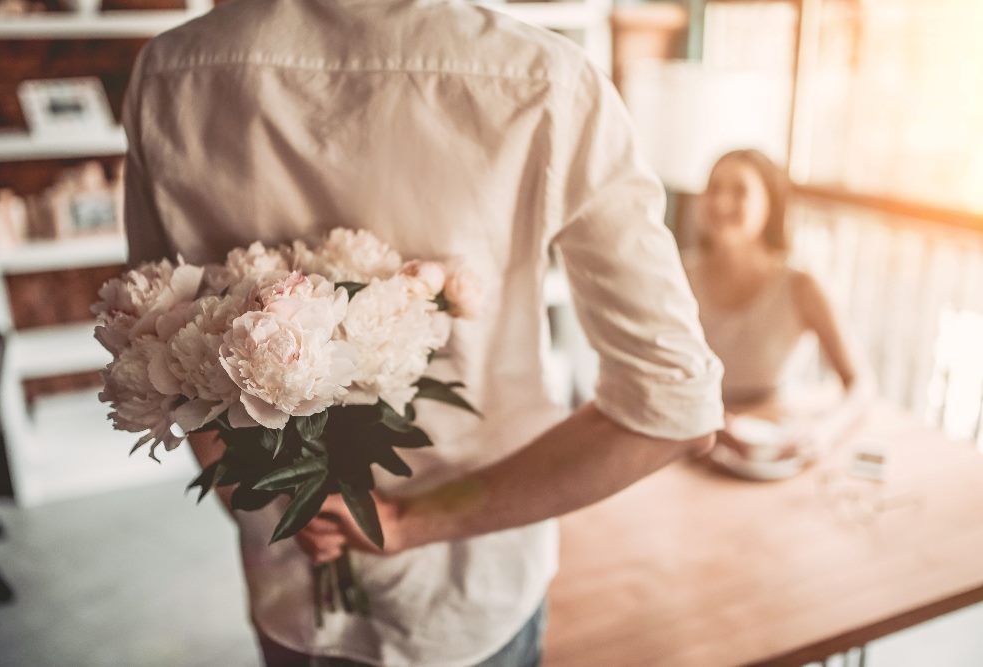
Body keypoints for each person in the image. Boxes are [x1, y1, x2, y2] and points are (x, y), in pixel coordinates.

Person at [121, 0, 724, 664]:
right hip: (464, 594)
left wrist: (256, 496)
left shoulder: (171, 72)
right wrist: (411, 522)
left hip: (291, 575)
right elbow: (675, 407)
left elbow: (158, 341)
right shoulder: (547, 81)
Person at [683, 149, 873, 462]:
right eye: (714, 188)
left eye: (739, 191)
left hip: (771, 454)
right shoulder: (679, 276)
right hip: (692, 449)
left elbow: (862, 385)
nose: (721, 202)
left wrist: (824, 432)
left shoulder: (801, 285)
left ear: (770, 204)